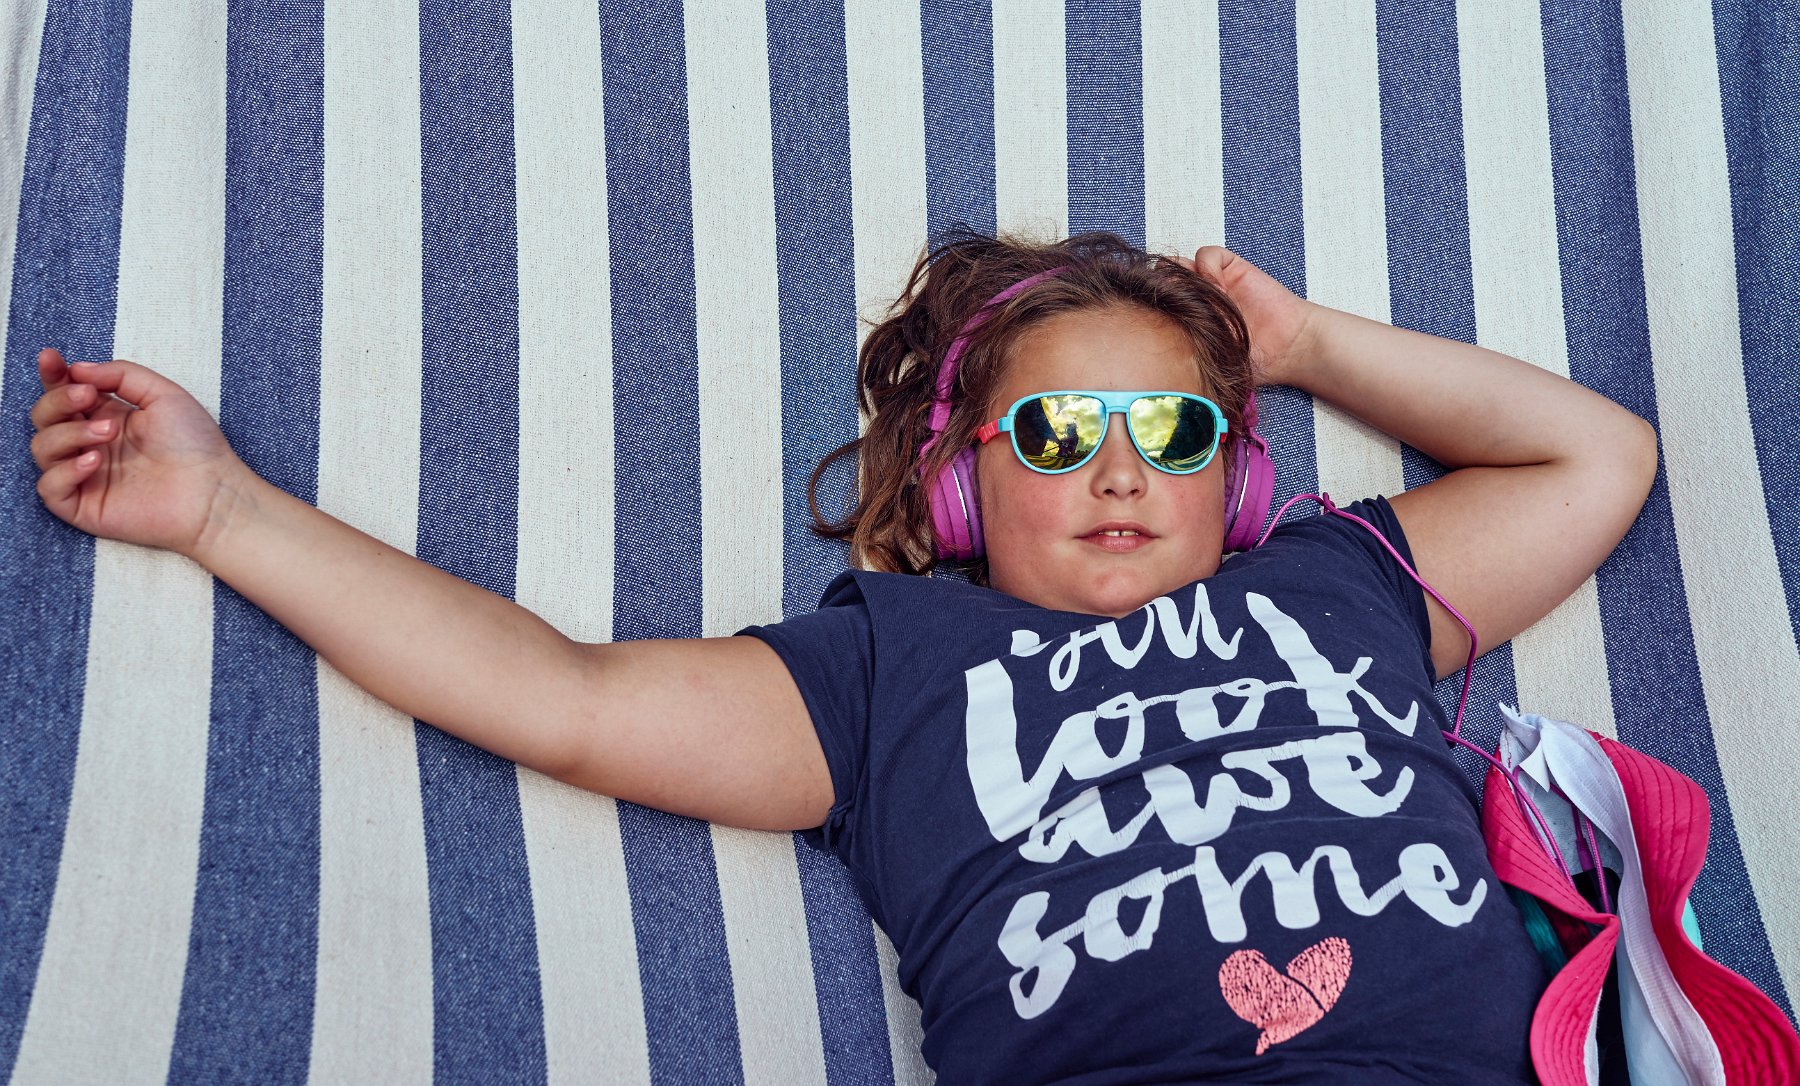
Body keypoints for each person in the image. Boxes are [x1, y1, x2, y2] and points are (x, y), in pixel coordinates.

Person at [27, 230, 1659, 1083]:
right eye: (1056, 431)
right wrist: (224, 509)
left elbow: (1599, 458)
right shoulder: (895, 669)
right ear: (957, 485)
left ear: (1234, 478)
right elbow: (561, 695)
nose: (1120, 471)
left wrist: (1302, 344)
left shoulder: (1337, 584)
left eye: (1174, 429)